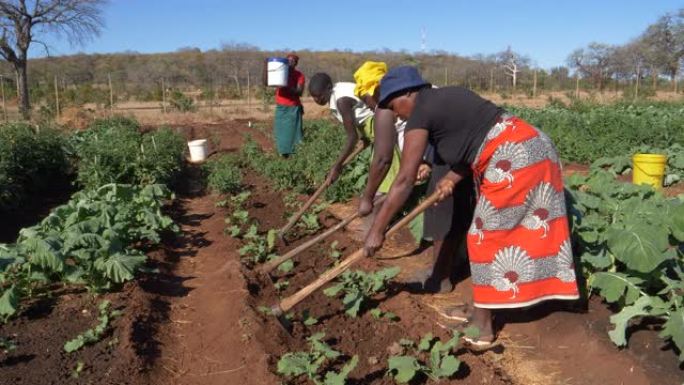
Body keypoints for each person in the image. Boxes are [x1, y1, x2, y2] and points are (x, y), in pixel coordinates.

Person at [364, 66, 580, 347]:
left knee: (484, 236)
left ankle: (483, 327)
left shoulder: (421, 111)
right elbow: (474, 140)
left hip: (515, 157)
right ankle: (484, 307)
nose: (397, 115)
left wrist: (378, 230)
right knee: (508, 233)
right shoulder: (448, 97)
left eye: (394, 106)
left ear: (408, 93)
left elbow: (404, 179)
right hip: (529, 146)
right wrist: (451, 178)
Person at [353, 62, 475, 294]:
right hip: (460, 154)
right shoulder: (431, 97)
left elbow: (392, 168)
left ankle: (441, 276)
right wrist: (428, 162)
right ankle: (449, 268)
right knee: (454, 209)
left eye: (369, 96)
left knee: (442, 209)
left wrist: (377, 228)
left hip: (471, 155)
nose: (372, 104)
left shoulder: (405, 107)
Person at [267, 53, 305, 157]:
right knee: (281, 132)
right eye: (288, 60)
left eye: (293, 60)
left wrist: (285, 86)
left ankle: (296, 153)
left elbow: (299, 92)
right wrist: (265, 65)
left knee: (295, 133)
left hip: (293, 107)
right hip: (281, 107)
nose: (290, 62)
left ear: (296, 63)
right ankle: (283, 153)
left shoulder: (299, 75)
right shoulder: (281, 72)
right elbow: (266, 82)